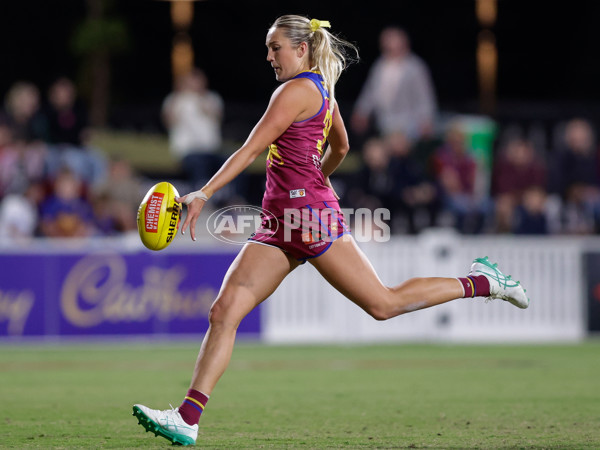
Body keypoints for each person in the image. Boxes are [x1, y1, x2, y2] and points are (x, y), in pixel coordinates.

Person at [132, 15, 529, 446]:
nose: (269, 56)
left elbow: (250, 149)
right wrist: (318, 177)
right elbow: (341, 147)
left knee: (383, 304)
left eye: (276, 47)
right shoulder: (322, 90)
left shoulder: (294, 90)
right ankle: (188, 418)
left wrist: (204, 193)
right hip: (280, 222)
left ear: (300, 49)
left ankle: (484, 281)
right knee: (223, 312)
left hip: (308, 219)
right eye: (268, 48)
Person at [350, 26, 437, 142]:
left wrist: (426, 119)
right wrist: (361, 112)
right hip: (384, 122)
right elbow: (370, 92)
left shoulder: (415, 67)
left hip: (409, 126)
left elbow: (424, 96)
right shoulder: (380, 65)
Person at [161, 68, 225, 191]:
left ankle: (235, 199)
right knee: (199, 165)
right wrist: (180, 95)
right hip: (188, 151)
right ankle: (202, 200)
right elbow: (169, 121)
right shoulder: (175, 100)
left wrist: (199, 98)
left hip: (211, 149)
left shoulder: (211, 98)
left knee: (235, 161)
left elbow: (216, 116)